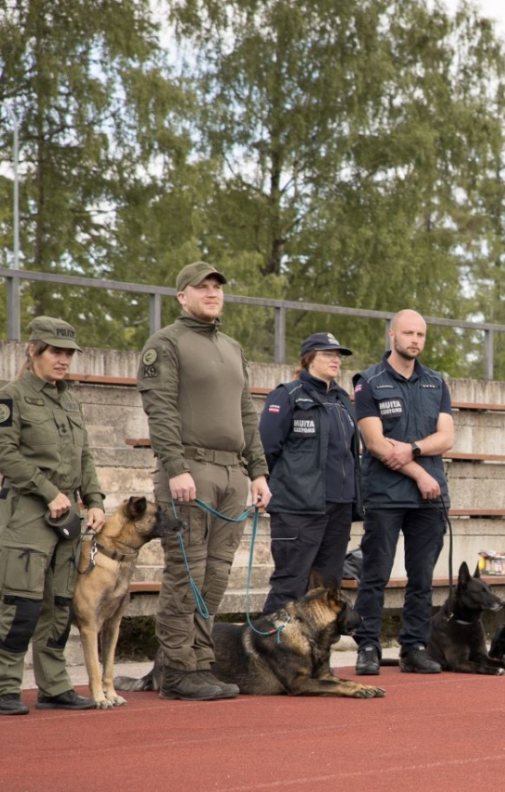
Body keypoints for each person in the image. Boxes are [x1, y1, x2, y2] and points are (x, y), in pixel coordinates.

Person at [139, 262, 271, 702]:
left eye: (217, 287)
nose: (213, 293)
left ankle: (200, 660)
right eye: (203, 287)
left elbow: (246, 414)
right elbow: (159, 409)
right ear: (182, 296)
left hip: (232, 473)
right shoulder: (166, 344)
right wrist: (175, 467)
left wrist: (258, 470)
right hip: (191, 469)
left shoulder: (232, 347)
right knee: (187, 573)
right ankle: (176, 669)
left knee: (215, 576)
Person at [0, 317, 106, 715]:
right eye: (56, 351)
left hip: (68, 518)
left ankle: (54, 686)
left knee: (58, 607)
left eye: (68, 352)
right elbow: (4, 454)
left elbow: (83, 455)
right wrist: (49, 493)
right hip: (27, 515)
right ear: (34, 350)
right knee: (22, 605)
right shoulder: (10, 397)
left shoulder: (69, 399)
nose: (63, 359)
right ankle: (2, 688)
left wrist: (95, 499)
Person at [352, 309, 456, 675]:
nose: (415, 340)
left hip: (429, 498)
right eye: (408, 333)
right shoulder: (368, 381)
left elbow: (447, 437)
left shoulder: (436, 382)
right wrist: (418, 472)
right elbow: (376, 444)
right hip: (385, 494)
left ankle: (414, 647)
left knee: (422, 577)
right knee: (376, 573)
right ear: (392, 335)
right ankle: (367, 645)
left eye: (421, 335)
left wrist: (411, 449)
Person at [258, 332, 362, 613]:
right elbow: (266, 448)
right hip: (297, 508)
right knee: (290, 584)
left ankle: (316, 655)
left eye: (338, 355)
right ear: (309, 358)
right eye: (328, 354)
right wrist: (263, 486)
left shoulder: (342, 400)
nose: (336, 359)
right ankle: (270, 651)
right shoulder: (287, 394)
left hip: (339, 507)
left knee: (328, 589)